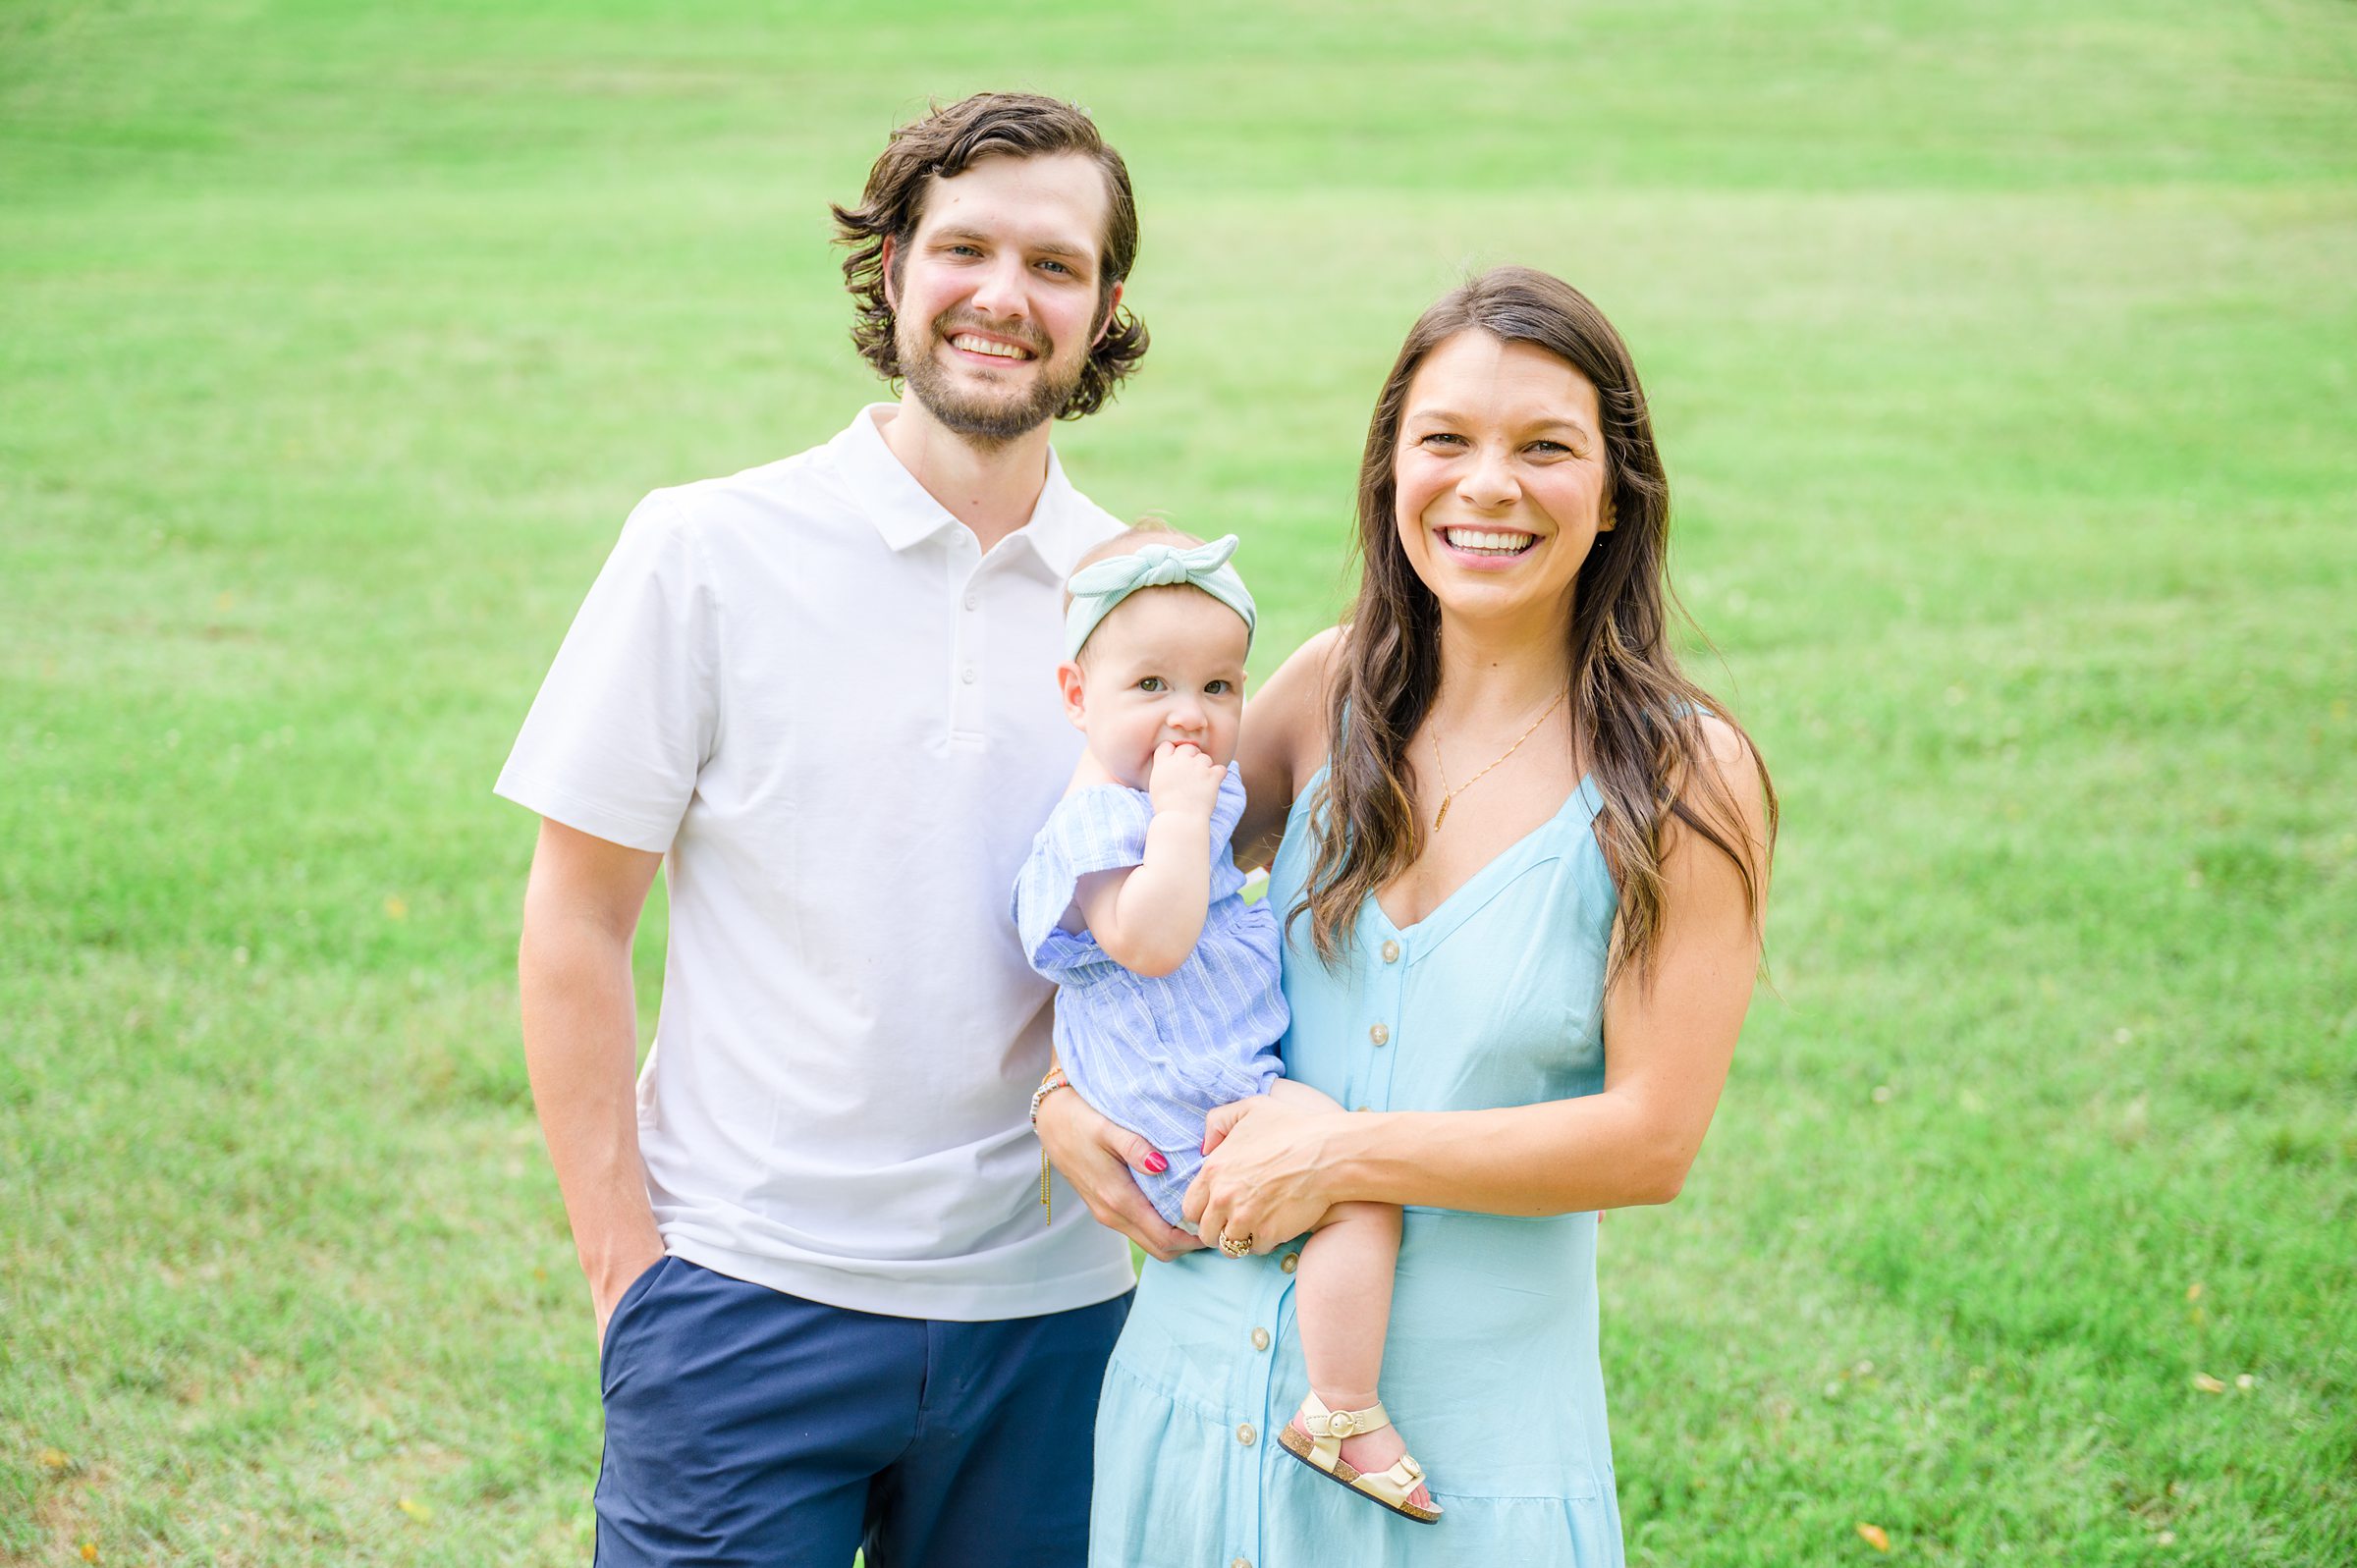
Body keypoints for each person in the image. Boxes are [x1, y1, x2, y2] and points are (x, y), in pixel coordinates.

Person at [495, 92, 1176, 1567]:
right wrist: (630, 1279)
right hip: (745, 1305)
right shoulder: (707, 547)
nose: (1004, 297)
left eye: (1055, 265)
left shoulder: (1139, 604)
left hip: (1056, 1325)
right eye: (965, 249)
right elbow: (576, 920)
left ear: (1105, 305)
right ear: (893, 271)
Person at [1038, 265, 1777, 1566]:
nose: (1487, 485)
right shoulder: (1326, 692)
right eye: (1446, 441)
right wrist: (1059, 1092)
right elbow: (1112, 880)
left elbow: (1651, 1141)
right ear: (1392, 472)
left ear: (1616, 494)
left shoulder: (1681, 775)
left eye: (1544, 448)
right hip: (1192, 1402)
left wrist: (1343, 1157)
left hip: (1465, 1465)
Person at [1014, 528, 1440, 1527]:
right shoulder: (1105, 822)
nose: (1189, 718)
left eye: (1218, 688)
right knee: (1357, 1191)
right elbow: (1151, 940)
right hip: (1180, 1101)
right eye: (1151, 684)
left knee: (1349, 1177)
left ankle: (1333, 1400)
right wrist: (1177, 818)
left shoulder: (1172, 795)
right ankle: (1341, 1409)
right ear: (1078, 696)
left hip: (1208, 1075)